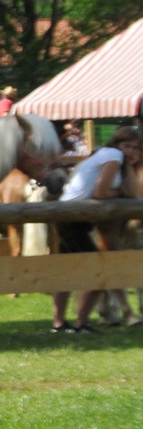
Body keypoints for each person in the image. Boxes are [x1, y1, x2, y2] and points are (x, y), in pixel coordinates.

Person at [51, 126, 141, 333]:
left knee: (65, 272)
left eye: (135, 148)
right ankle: (82, 323)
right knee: (97, 270)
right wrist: (118, 193)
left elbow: (135, 194)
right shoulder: (113, 155)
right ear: (117, 144)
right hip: (72, 217)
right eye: (127, 145)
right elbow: (101, 193)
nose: (131, 151)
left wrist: (128, 171)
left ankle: (59, 323)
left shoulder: (115, 159)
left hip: (70, 217)